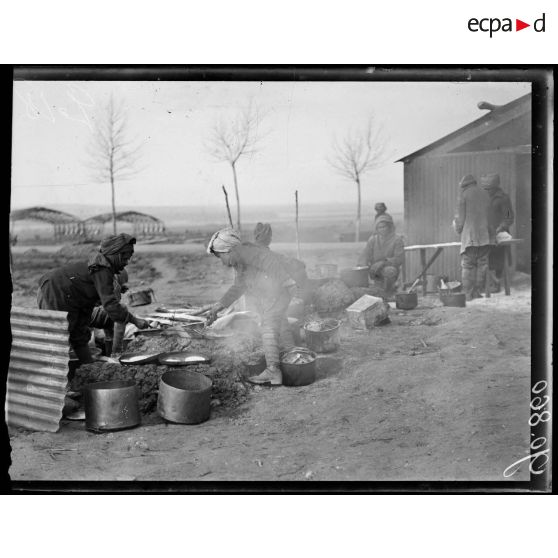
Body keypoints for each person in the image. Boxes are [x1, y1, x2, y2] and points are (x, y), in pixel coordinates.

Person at [206, 227, 302, 386]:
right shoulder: (240, 262)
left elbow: (269, 261)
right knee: (281, 322)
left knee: (268, 326)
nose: (222, 262)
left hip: (278, 290)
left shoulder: (247, 252)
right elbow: (239, 287)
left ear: (229, 250)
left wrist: (287, 282)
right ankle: (293, 357)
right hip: (274, 292)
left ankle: (273, 371)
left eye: (221, 256)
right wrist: (219, 306)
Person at [37, 233, 149, 364]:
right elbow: (111, 305)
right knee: (59, 335)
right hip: (56, 290)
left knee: (79, 333)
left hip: (71, 297)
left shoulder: (102, 268)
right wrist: (135, 320)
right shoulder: (101, 269)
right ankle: (55, 376)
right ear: (117, 255)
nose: (126, 263)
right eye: (125, 258)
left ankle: (88, 367)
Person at [453, 174, 494, 301]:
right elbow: (490, 217)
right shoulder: (485, 194)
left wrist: (457, 228)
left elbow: (460, 219)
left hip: (470, 237)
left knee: (468, 265)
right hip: (485, 237)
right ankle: (477, 292)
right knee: (482, 265)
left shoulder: (464, 195)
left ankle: (467, 294)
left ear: (464, 185)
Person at [481, 173, 515, 292]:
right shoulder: (483, 198)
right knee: (484, 258)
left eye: (489, 188)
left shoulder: (503, 198)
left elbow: (509, 218)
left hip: (499, 233)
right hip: (486, 232)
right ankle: (488, 283)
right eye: (486, 188)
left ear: (495, 187)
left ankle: (496, 284)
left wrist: (500, 228)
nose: (487, 191)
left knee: (498, 258)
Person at [357, 214, 404, 297]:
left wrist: (383, 263)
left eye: (384, 227)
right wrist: (361, 267)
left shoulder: (397, 239)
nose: (382, 229)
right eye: (379, 227)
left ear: (389, 227)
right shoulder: (373, 239)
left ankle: (388, 293)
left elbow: (399, 259)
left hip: (390, 268)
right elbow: (365, 255)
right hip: (374, 269)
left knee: (390, 271)